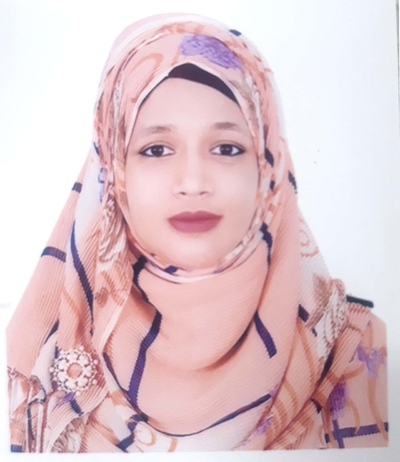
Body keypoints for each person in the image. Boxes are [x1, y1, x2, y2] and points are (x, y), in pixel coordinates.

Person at [6, 13, 387, 453]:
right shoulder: (36, 371)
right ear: (113, 170)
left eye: (226, 148)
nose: (192, 182)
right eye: (156, 149)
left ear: (268, 166)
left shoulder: (359, 355)